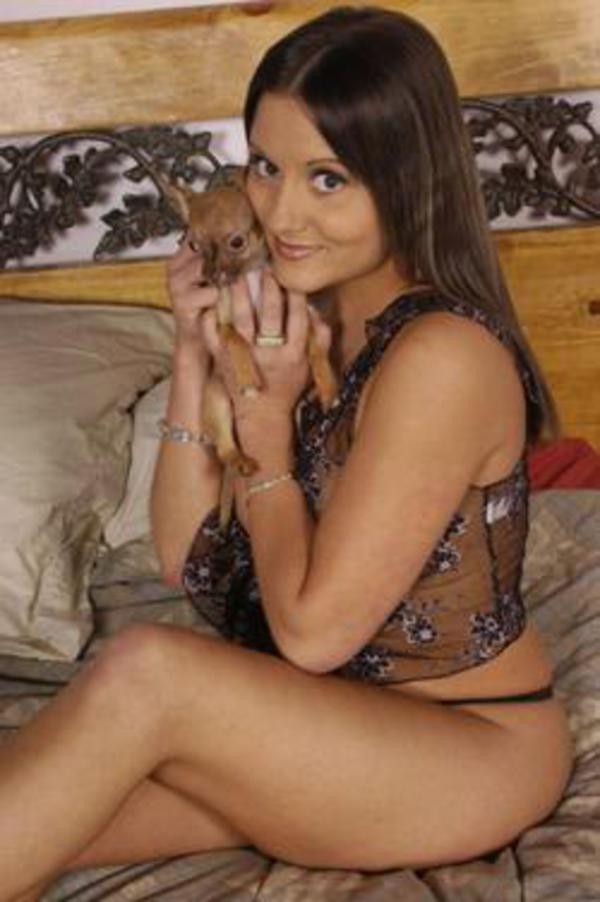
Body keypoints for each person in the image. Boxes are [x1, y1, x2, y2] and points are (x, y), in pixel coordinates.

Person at [4, 7, 572, 900]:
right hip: (322, 733)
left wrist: (267, 440)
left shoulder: (444, 357)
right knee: (44, 793)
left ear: (406, 181)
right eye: (266, 166)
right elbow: (182, 553)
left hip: (464, 751)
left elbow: (311, 633)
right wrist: (192, 355)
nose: (282, 212)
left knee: (149, 669)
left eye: (328, 178)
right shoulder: (302, 317)